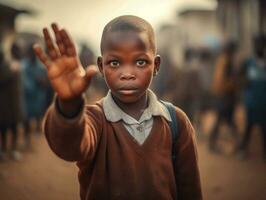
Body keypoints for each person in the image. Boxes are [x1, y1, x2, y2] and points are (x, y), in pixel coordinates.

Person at [34, 16, 202, 200]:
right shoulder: (94, 120)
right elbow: (69, 146)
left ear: (156, 65)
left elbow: (190, 189)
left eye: (140, 62)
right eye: (115, 63)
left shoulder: (176, 122)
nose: (127, 74)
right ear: (101, 66)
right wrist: (69, 103)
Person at [236, 34, 266, 160]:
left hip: (263, 102)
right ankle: (243, 151)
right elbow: (239, 77)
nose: (258, 47)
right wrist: (244, 82)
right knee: (249, 126)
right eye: (256, 44)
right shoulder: (248, 62)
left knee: (264, 128)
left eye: (261, 44)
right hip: (251, 101)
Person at [209, 41, 239, 153]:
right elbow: (224, 81)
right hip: (225, 95)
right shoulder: (227, 62)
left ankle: (212, 143)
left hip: (222, 95)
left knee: (223, 119)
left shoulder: (222, 60)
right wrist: (234, 84)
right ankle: (240, 144)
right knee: (225, 119)